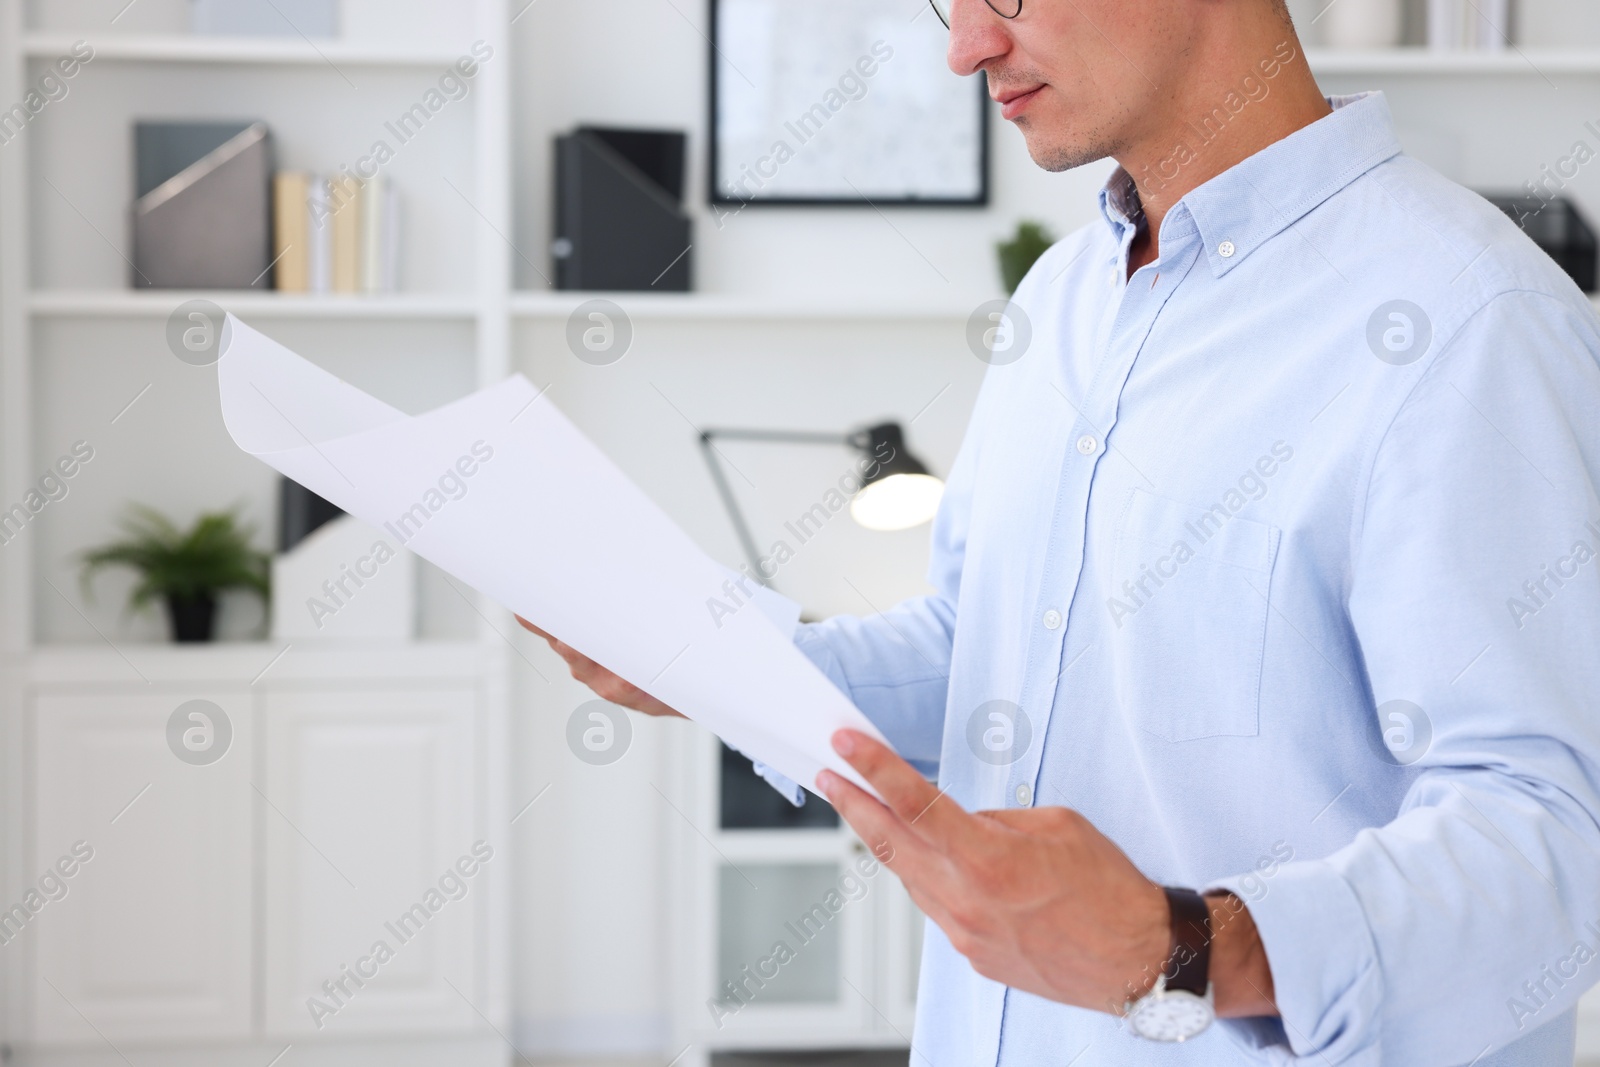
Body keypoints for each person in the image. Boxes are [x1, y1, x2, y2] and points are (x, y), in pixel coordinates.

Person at [520, 0, 1600, 1061]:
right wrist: (721, 659)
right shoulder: (1062, 295)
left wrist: (1181, 949)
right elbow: (985, 654)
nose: (963, 47)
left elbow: (1556, 837)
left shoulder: (1469, 319)